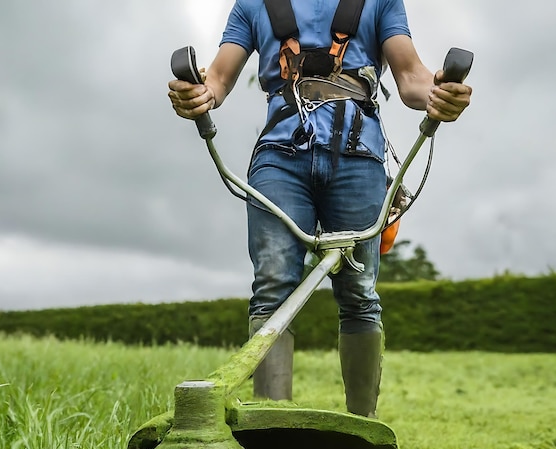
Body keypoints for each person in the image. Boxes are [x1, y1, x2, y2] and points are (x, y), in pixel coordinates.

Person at [168, 0, 472, 417]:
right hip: (280, 156)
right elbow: (217, 79)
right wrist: (198, 93)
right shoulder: (253, 5)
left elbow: (411, 77)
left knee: (359, 293)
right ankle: (272, 428)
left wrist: (438, 91)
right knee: (272, 288)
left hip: (359, 154)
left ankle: (362, 430)